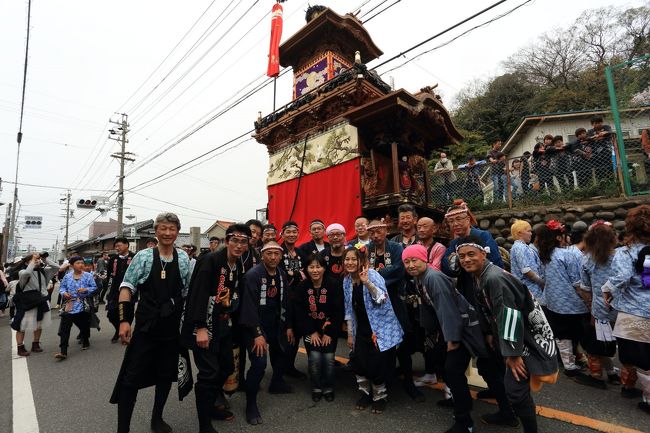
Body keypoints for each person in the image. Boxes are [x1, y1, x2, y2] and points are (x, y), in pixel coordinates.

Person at [457, 236, 558, 433]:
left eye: (471, 254)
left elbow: (509, 315)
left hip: (525, 336)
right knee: (512, 385)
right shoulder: (480, 274)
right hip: (512, 335)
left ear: (483, 254)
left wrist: (513, 354)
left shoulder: (494, 278)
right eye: (462, 256)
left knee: (516, 392)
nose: (466, 259)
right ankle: (512, 417)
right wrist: (489, 332)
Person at [110, 213, 191, 433]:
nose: (167, 233)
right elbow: (127, 287)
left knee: (165, 375)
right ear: (156, 231)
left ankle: (157, 418)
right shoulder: (144, 257)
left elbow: (187, 292)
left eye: (172, 228)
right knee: (131, 378)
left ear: (177, 232)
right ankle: (122, 429)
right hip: (146, 327)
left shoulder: (183, 258)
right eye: (163, 228)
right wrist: (124, 321)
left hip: (171, 328)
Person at [403, 244, 493, 433]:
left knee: (453, 371)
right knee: (451, 370)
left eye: (414, 260)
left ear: (424, 259)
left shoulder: (433, 278)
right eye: (407, 262)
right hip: (453, 329)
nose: (410, 265)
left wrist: (452, 339)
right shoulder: (421, 278)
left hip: (462, 330)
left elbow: (447, 309)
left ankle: (465, 422)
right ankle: (458, 402)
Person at [181, 223, 251, 433]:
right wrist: (200, 327)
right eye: (235, 240)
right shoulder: (210, 260)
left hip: (222, 324)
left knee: (228, 368)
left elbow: (234, 294)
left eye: (243, 242)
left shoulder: (237, 265)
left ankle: (210, 405)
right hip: (202, 324)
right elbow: (198, 293)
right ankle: (204, 424)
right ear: (227, 241)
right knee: (209, 374)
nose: (238, 245)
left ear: (248, 245)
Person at [367, 218, 423, 401]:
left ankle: (408, 380)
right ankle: (385, 378)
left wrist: (377, 278)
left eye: (379, 231)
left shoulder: (397, 247)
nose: (376, 236)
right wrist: (376, 280)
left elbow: (400, 271)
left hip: (395, 300)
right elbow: (363, 271)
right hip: (374, 302)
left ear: (386, 230)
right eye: (372, 232)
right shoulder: (367, 249)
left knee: (403, 341)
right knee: (379, 342)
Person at [239, 241, 294, 425]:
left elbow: (286, 301)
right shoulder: (253, 275)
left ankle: (276, 383)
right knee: (259, 364)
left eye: (276, 254)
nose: (273, 257)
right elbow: (248, 307)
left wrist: (288, 327)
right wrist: (257, 334)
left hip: (275, 324)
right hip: (255, 326)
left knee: (281, 352)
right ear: (262, 255)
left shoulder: (281, 273)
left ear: (280, 256)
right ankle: (251, 403)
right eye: (269, 253)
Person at [602, 205, 650, 414]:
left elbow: (621, 277)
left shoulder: (625, 252)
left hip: (635, 311)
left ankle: (648, 398)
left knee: (640, 358)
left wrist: (607, 289)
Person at [343, 245, 402, 414]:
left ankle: (380, 396)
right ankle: (365, 393)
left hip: (380, 328)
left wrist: (367, 283)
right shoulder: (346, 280)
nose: (350, 262)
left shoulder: (373, 275)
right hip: (360, 327)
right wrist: (349, 334)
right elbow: (348, 308)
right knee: (359, 362)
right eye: (347, 259)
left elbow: (382, 299)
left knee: (378, 365)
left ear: (361, 261)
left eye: (354, 259)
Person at [536, 220, 587, 377]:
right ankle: (584, 364)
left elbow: (544, 278)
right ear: (559, 238)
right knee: (577, 333)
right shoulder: (568, 255)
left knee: (561, 334)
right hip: (572, 302)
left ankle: (569, 365)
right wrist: (588, 299)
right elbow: (577, 281)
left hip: (553, 301)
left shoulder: (545, 255)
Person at [576, 221, 620, 390]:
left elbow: (585, 288)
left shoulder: (587, 260)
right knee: (618, 343)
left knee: (596, 343)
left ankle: (596, 375)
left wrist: (590, 305)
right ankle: (614, 374)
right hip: (621, 308)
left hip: (600, 309)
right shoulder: (620, 257)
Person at [296, 253, 343, 402]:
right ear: (306, 269)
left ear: (324, 268)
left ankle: (328, 387)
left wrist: (329, 332)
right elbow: (299, 312)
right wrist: (311, 331)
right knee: (314, 357)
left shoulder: (333, 284)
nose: (315, 270)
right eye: (311, 267)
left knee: (328, 357)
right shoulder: (302, 287)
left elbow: (338, 311)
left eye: (318, 266)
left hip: (330, 330)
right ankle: (316, 387)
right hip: (310, 329)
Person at [11, 253, 57, 357]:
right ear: (27, 262)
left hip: (41, 301)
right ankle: (20, 347)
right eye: (33, 260)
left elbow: (56, 267)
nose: (37, 261)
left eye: (37, 259)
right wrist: (32, 261)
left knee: (39, 324)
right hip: (28, 302)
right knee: (21, 326)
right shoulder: (22, 272)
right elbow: (27, 273)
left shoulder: (43, 271)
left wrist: (45, 259)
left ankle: (35, 344)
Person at [279, 221, 308, 380]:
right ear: (282, 234)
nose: (291, 234)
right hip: (282, 298)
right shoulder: (278, 252)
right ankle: (280, 368)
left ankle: (289, 366)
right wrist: (296, 275)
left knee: (295, 334)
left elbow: (308, 271)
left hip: (298, 300)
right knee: (283, 334)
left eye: (294, 232)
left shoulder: (301, 252)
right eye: (288, 232)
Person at [55, 256, 96, 359]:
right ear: (72, 265)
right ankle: (63, 351)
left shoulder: (88, 276)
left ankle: (85, 340)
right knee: (65, 328)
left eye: (82, 263)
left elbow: (94, 287)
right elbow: (62, 287)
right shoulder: (67, 276)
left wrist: (86, 290)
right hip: (70, 305)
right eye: (78, 263)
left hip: (83, 305)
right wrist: (64, 293)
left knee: (84, 326)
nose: (81, 265)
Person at [106, 238, 135, 343]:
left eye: (119, 245)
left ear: (126, 245)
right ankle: (118, 329)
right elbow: (108, 275)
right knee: (111, 313)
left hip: (130, 290)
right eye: (116, 246)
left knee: (128, 312)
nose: (117, 248)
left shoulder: (135, 257)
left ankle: (126, 332)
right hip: (115, 290)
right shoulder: (113, 259)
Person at [509, 220, 544, 300]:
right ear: (519, 233)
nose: (531, 234)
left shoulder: (520, 246)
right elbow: (526, 270)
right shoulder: (520, 248)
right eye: (528, 231)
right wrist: (541, 282)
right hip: (529, 289)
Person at [587, 115, 614, 180]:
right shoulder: (590, 131)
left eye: (599, 122)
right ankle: (601, 181)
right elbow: (588, 138)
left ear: (602, 122)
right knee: (598, 169)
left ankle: (611, 179)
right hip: (596, 154)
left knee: (609, 167)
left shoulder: (606, 127)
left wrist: (602, 135)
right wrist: (601, 136)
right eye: (596, 123)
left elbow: (610, 133)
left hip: (607, 151)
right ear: (592, 124)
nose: (598, 124)